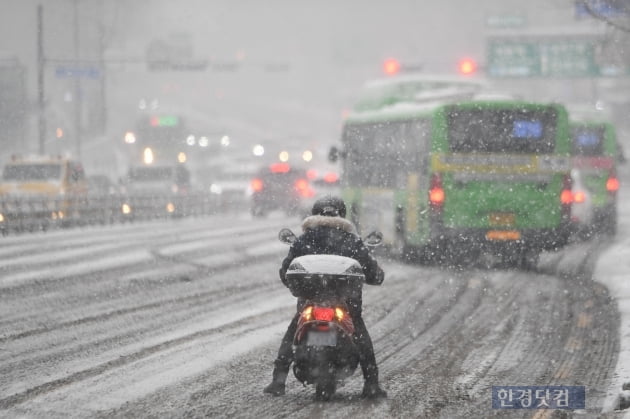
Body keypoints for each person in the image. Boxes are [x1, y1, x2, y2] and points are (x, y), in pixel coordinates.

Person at [263, 196, 387, 399]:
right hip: (346, 306)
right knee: (360, 334)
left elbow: (286, 272)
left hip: (310, 304)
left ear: (314, 214)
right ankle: (371, 383)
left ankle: (278, 381)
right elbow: (375, 275)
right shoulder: (353, 242)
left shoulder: (304, 240)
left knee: (292, 332)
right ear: (343, 215)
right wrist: (373, 275)